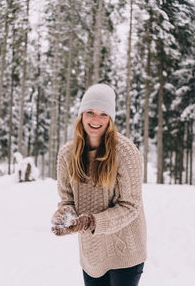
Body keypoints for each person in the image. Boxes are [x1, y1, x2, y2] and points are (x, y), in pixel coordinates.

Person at [51, 84, 147, 286]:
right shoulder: (67, 154)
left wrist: (92, 222)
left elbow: (130, 206)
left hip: (125, 252)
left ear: (110, 119)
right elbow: (67, 199)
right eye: (90, 112)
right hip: (92, 253)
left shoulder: (125, 152)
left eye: (103, 114)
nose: (96, 120)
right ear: (81, 115)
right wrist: (65, 214)